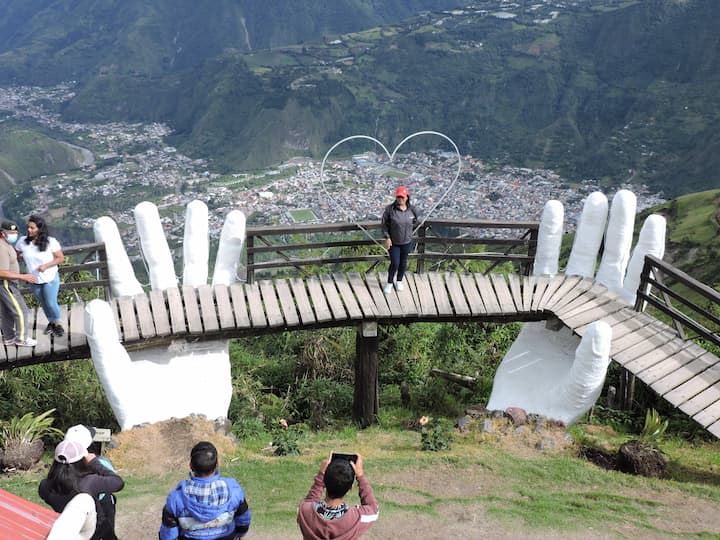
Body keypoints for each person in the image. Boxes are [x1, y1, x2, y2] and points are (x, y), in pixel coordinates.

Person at [159, 441, 251, 540]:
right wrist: (242, 534)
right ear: (217, 464)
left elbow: (168, 534)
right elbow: (243, 519)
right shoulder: (233, 490)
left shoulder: (175, 498)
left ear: (190, 466)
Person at [39, 439, 124, 540]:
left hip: (72, 530)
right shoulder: (89, 482)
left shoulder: (45, 486)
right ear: (81, 460)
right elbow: (118, 482)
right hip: (99, 533)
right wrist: (94, 462)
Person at [297, 453, 379, 539]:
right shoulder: (356, 518)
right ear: (351, 487)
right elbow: (374, 509)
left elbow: (309, 501)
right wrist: (360, 476)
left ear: (324, 482)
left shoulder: (303, 511)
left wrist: (321, 475)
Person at [64, 424, 118, 539]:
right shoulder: (100, 462)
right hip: (102, 505)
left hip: (73, 506)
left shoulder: (64, 465)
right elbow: (116, 482)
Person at [15, 214, 65, 336]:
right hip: (33, 279)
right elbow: (15, 255)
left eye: (32, 228)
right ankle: (51, 323)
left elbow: (60, 258)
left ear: (39, 229)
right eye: (28, 227)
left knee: (51, 303)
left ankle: (58, 324)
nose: (29, 230)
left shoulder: (50, 242)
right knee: (43, 303)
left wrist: (46, 266)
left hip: (49, 277)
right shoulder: (22, 242)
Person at [0, 219, 38, 347]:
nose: (14, 235)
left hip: (7, 284)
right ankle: (22, 338)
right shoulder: (1, 247)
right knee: (21, 311)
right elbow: (1, 272)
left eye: (15, 232)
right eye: (11, 232)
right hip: (6, 283)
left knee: (6, 311)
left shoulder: (6, 245)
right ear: (3, 233)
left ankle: (9, 338)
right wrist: (22, 276)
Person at [381, 185, 418, 294]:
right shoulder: (390, 210)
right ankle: (389, 283)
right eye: (398, 197)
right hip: (394, 242)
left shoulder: (412, 210)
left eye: (402, 197)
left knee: (403, 262)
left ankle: (399, 280)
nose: (400, 199)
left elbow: (415, 221)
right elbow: (384, 225)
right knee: (395, 262)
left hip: (407, 241)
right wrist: (387, 237)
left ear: (407, 197)